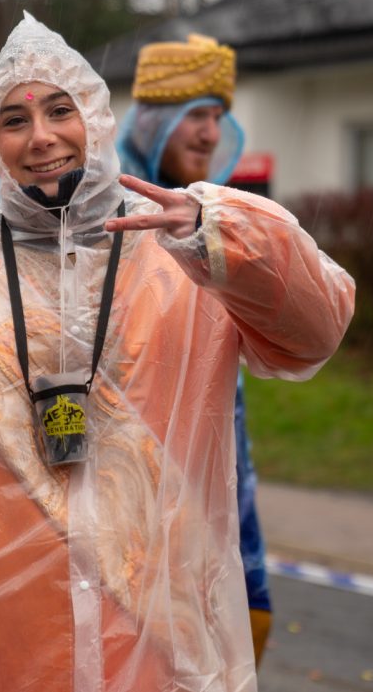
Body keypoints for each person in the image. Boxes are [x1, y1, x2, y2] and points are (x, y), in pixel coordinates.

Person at [0, 13, 356, 692]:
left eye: (59, 110)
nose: (41, 136)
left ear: (96, 119)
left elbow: (316, 332)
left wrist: (226, 234)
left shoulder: (177, 248)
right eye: (15, 120)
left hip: (156, 645)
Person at [117, 34, 273, 663]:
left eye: (218, 116)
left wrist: (249, 555)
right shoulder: (100, 210)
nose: (210, 133)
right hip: (126, 499)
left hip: (212, 485)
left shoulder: (215, 216)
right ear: (153, 120)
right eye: (195, 115)